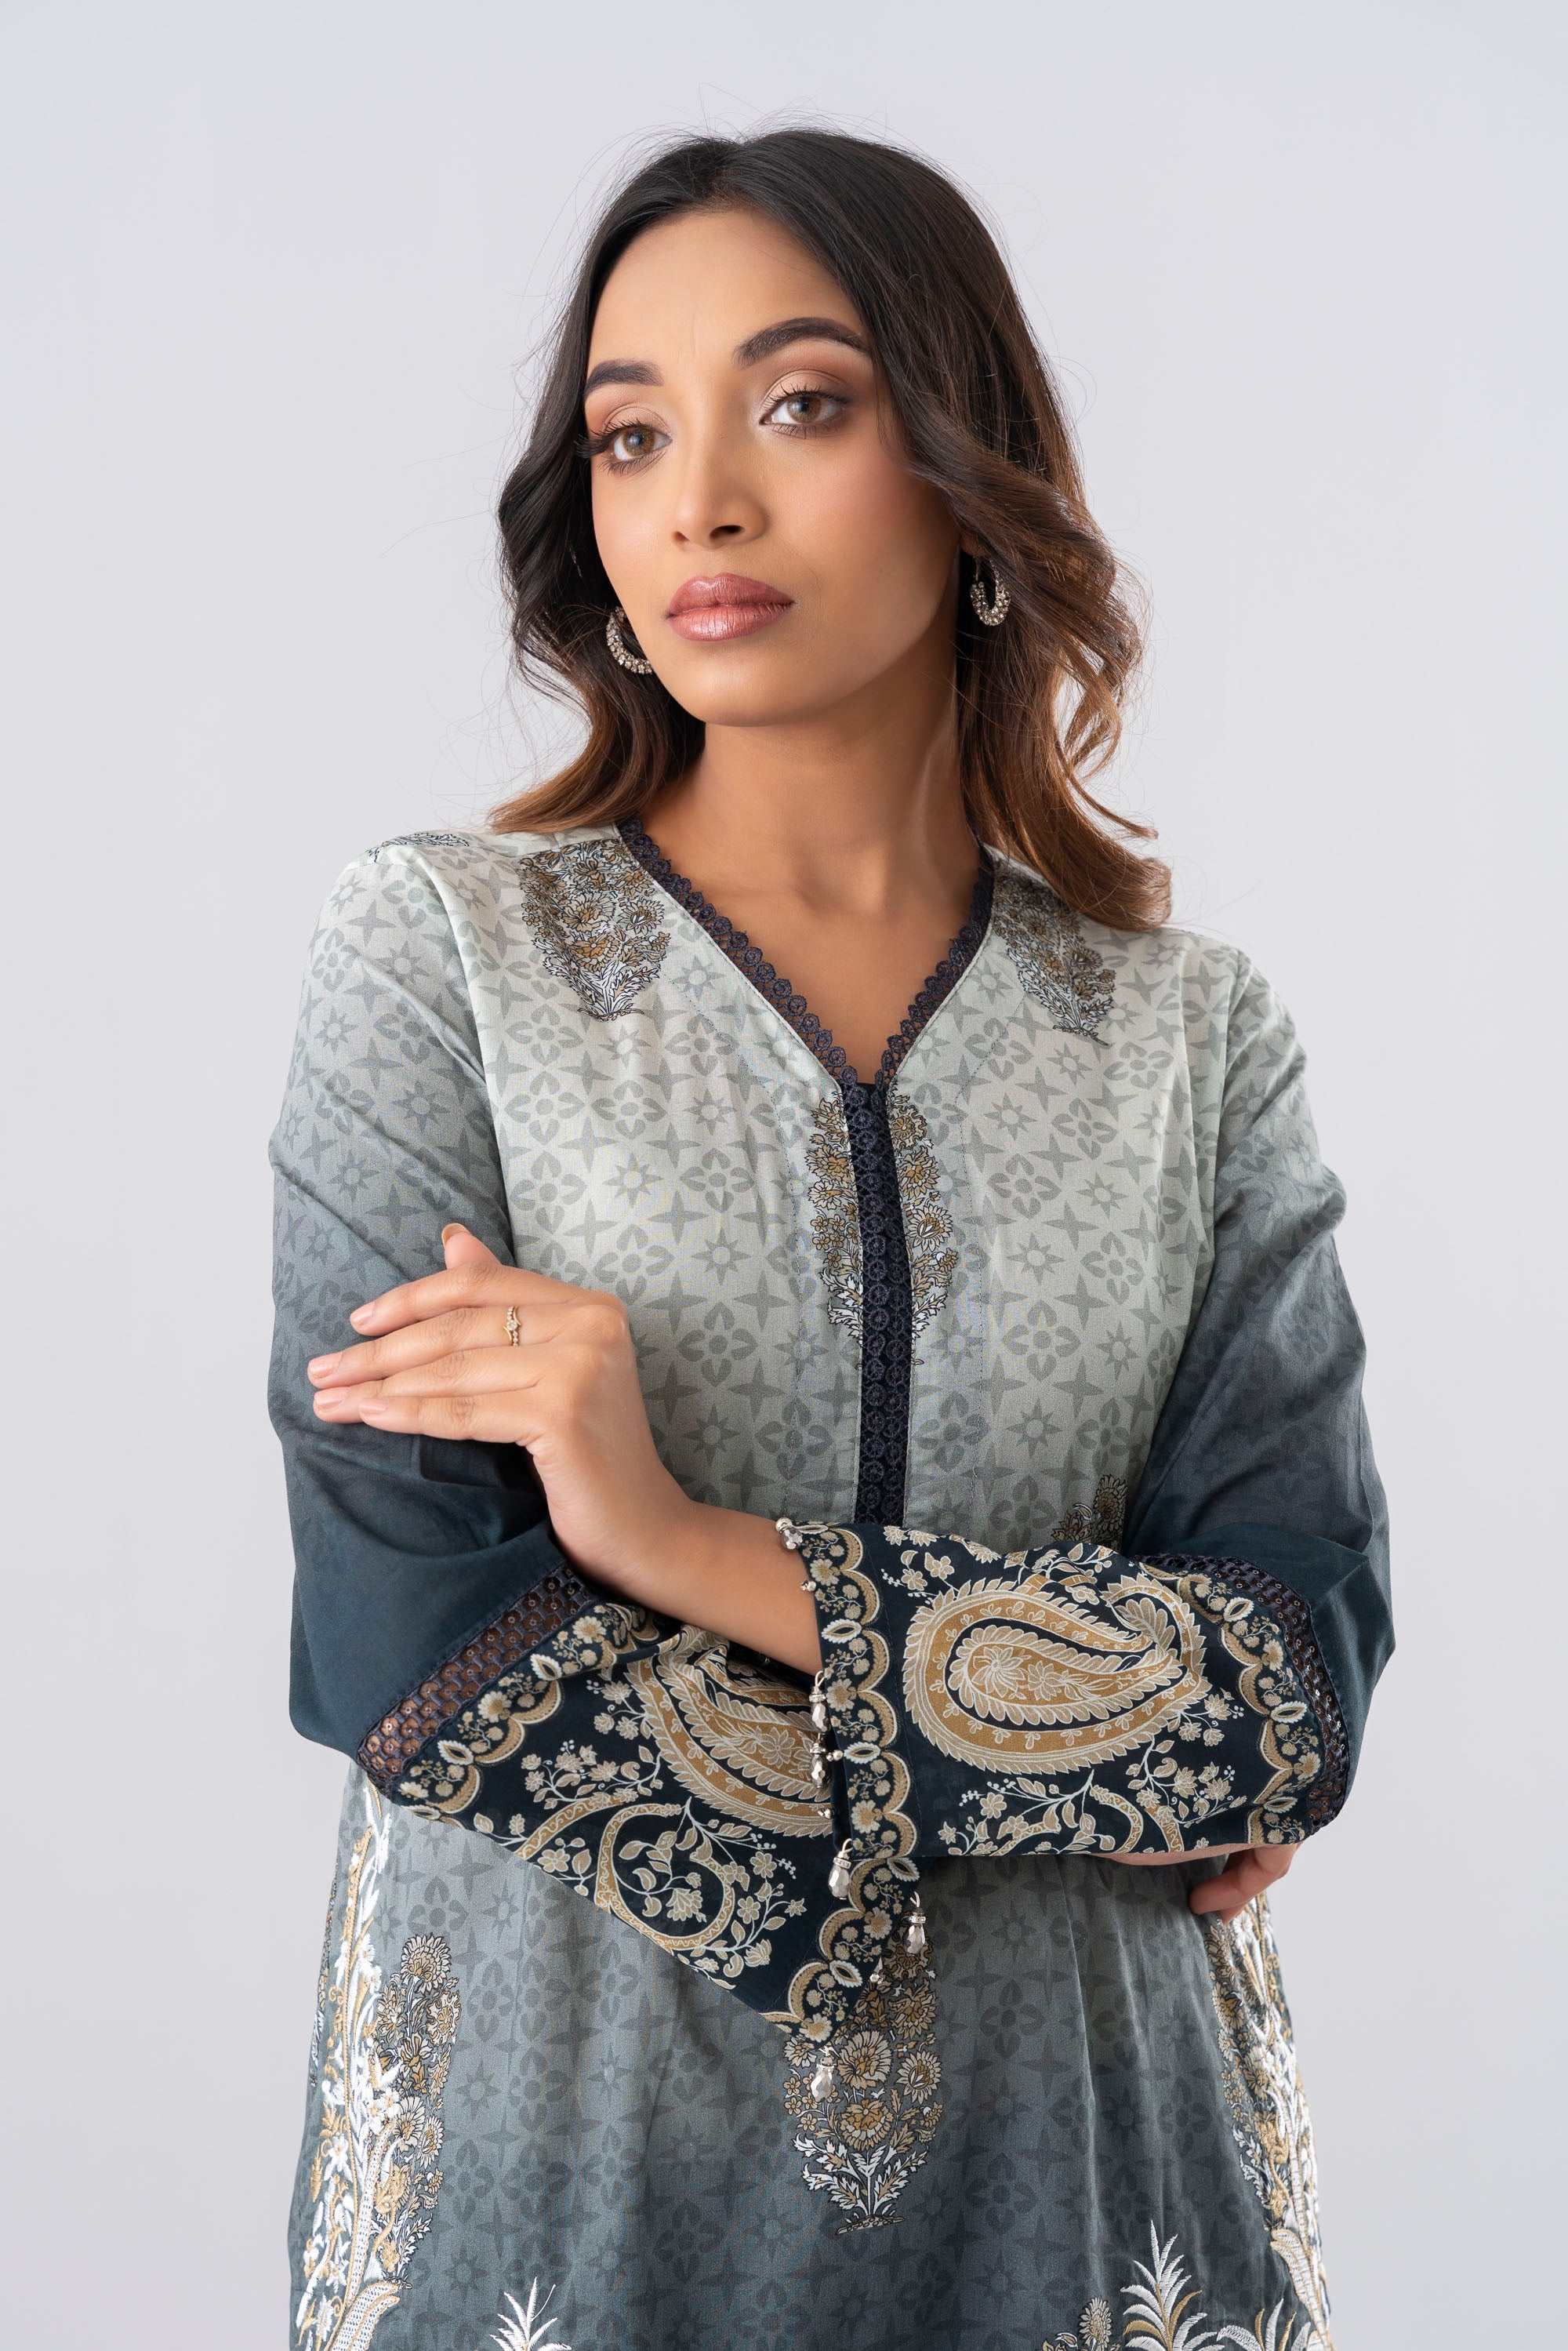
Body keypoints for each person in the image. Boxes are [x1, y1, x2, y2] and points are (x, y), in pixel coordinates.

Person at [270, 129, 1392, 2351]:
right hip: (565, 2171)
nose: (700, 500)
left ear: (968, 467)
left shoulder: (1187, 1035)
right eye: (630, 434)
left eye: (801, 404)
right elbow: (423, 1639)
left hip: (1093, 2182)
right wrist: (1091, 1756)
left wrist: (670, 1539)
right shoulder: (447, 962)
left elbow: (1293, 1663)